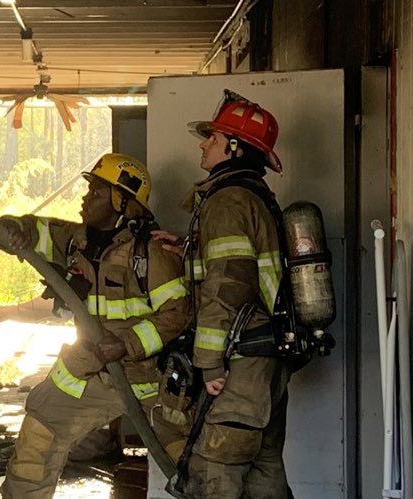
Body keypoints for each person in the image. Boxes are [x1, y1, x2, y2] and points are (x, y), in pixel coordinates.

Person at [0, 153, 191, 499]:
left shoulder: (151, 253)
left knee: (192, 467)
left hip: (149, 382)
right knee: (37, 439)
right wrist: (10, 228)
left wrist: (126, 344)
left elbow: (178, 313)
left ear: (121, 200)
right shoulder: (77, 241)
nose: (86, 198)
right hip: (89, 369)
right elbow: (36, 231)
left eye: (97, 191)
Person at [158, 90, 293, 499]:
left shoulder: (228, 201)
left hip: (239, 366)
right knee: (264, 476)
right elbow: (241, 264)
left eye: (213, 138)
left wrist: (209, 363)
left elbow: (227, 285)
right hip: (266, 363)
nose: (203, 145)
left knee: (214, 474)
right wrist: (189, 248)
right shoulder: (253, 196)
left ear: (234, 148)